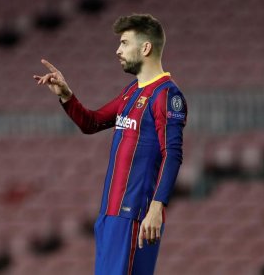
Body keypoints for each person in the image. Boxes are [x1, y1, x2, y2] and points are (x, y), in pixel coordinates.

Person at [33, 14, 187, 275]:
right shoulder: (132, 91)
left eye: (125, 43)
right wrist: (67, 95)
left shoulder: (167, 95)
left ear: (146, 48)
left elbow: (172, 154)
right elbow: (91, 123)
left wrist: (156, 208)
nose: (118, 50)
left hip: (134, 214)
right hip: (110, 214)